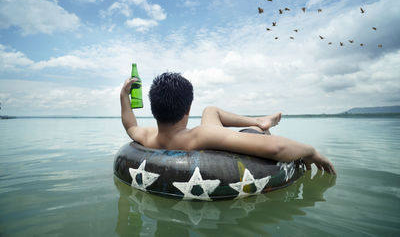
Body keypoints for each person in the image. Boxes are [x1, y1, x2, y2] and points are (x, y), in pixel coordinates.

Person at [120, 72, 336, 175]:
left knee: (210, 110)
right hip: (234, 137)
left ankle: (260, 119)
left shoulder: (147, 137)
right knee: (244, 127)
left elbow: (130, 126)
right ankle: (260, 124)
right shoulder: (201, 135)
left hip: (181, 135)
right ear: (187, 110)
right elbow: (276, 148)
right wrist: (311, 151)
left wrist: (124, 96)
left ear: (153, 108)